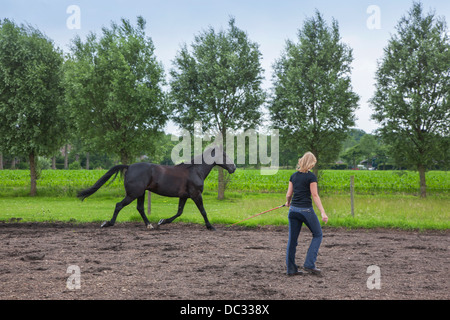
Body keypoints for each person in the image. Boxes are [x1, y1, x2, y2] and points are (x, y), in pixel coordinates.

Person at [285, 152, 328, 276]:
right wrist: (323, 212)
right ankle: (309, 264)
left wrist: (288, 203)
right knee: (318, 234)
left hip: (293, 211)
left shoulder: (293, 176)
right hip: (306, 211)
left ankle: (291, 269)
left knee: (292, 240)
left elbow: (289, 194)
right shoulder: (311, 177)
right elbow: (314, 195)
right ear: (311, 163)